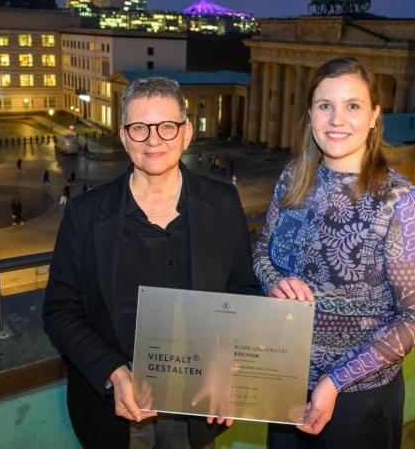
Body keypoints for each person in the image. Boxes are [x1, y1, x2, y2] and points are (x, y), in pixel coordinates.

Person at [43, 77, 260, 449]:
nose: (153, 140)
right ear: (124, 136)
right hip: (116, 408)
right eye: (139, 128)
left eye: (167, 126)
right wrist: (112, 372)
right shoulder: (85, 214)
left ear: (187, 133)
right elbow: (60, 311)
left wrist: (229, 360)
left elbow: (242, 291)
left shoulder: (223, 203)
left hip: (196, 405)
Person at [253, 58, 415, 449]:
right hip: (284, 382)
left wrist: (336, 380)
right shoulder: (292, 179)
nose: (337, 119)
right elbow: (260, 255)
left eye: (352, 106)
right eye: (325, 106)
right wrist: (275, 283)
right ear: (310, 115)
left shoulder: (399, 202)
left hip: (359, 399)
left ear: (374, 116)